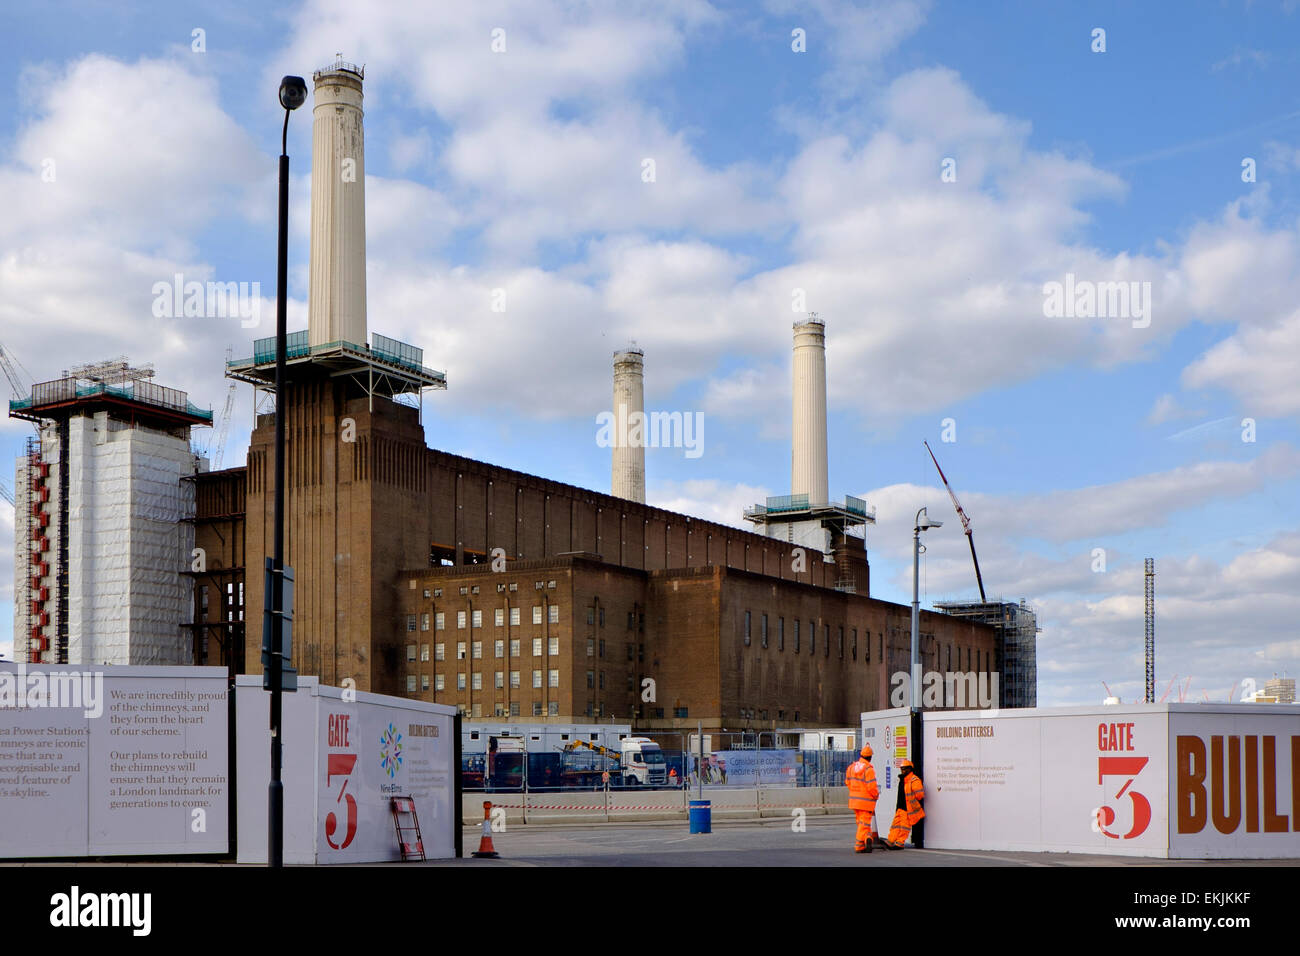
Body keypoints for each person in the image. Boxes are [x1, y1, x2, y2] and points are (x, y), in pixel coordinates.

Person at [844, 745, 880, 854]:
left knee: (861, 823)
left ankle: (867, 838)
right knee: (864, 824)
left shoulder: (851, 767)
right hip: (866, 803)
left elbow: (848, 782)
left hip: (854, 801)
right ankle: (859, 845)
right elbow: (871, 787)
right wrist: (876, 795)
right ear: (870, 757)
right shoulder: (868, 769)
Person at [886, 760, 925, 849]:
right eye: (902, 769)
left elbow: (920, 795)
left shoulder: (914, 780)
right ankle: (890, 841)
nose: (903, 770)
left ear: (910, 769)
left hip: (908, 809)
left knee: (904, 827)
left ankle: (900, 843)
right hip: (900, 807)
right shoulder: (903, 780)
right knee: (895, 825)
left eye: (905, 769)